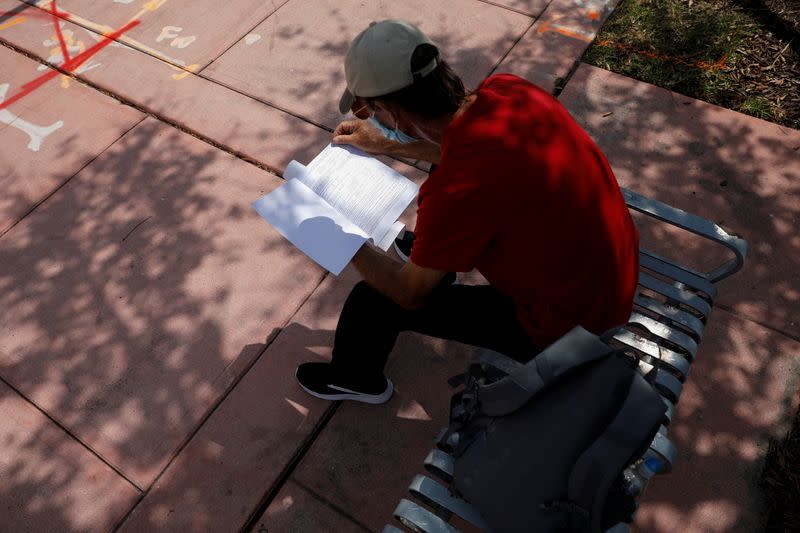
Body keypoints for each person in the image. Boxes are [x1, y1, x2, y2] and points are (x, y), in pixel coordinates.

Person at [295, 20, 639, 404]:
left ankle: (355, 378)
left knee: (373, 301)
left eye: (369, 109)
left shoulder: (456, 190)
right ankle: (435, 259)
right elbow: (468, 154)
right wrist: (388, 145)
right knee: (434, 237)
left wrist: (341, 237)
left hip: (569, 327)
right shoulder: (508, 90)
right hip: (608, 277)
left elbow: (408, 293)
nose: (368, 117)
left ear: (392, 109)